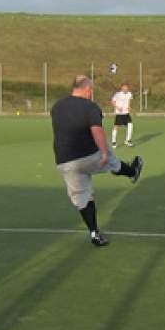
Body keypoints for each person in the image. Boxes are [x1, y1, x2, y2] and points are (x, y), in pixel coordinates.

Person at [50, 75, 143, 247]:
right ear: (87, 90)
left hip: (65, 161)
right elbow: (97, 131)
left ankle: (94, 233)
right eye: (91, 90)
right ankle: (132, 171)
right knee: (112, 161)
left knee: (83, 198)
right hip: (88, 155)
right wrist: (104, 153)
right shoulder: (90, 106)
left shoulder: (57, 106)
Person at [109, 83, 135, 147]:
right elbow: (112, 102)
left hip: (126, 113)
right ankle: (114, 142)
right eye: (124, 88)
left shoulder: (129, 94)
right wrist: (117, 107)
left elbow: (129, 101)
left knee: (130, 125)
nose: (125, 89)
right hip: (119, 113)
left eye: (126, 88)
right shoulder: (117, 94)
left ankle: (127, 141)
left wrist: (129, 107)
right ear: (121, 88)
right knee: (116, 127)